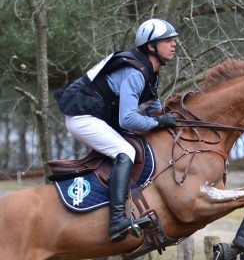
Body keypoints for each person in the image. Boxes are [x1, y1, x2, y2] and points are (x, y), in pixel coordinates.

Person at [54, 18, 180, 242]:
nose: (174, 44)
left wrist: (173, 121)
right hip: (82, 117)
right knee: (126, 152)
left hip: (96, 117)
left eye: (173, 40)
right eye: (168, 40)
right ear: (151, 46)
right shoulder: (136, 73)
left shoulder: (151, 73)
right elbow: (128, 119)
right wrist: (159, 123)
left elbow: (154, 110)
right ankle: (117, 221)